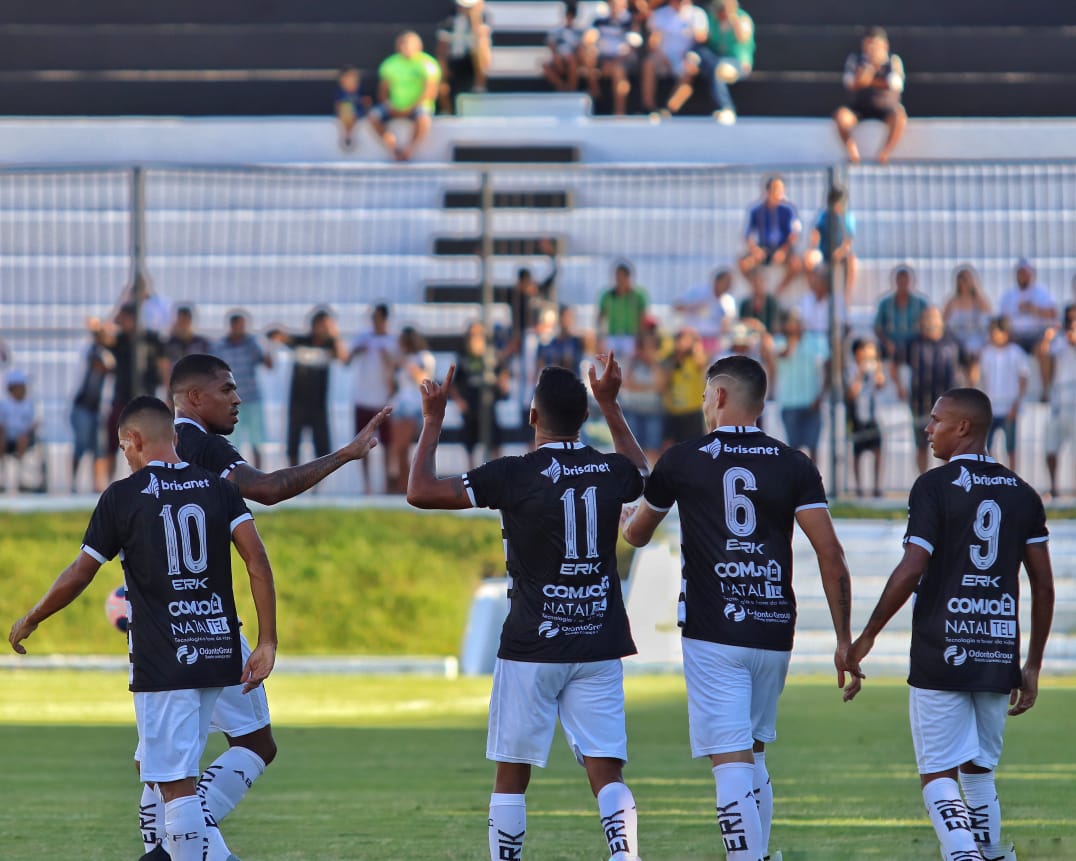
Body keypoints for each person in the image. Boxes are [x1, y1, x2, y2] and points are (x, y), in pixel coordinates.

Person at [9, 395, 279, 861]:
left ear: (132, 440)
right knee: (171, 771)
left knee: (174, 785)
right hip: (219, 646)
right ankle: (167, 853)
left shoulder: (123, 496)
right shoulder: (218, 488)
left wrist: (33, 616)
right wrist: (268, 640)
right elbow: (257, 559)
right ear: (174, 437)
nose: (124, 455)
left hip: (164, 657)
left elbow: (81, 571)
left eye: (122, 446)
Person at [407, 358, 649, 861]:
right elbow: (643, 479)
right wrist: (611, 403)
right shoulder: (610, 468)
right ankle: (625, 856)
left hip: (532, 644)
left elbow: (421, 491)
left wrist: (433, 420)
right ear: (585, 416)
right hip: (598, 638)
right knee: (606, 770)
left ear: (533, 415)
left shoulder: (514, 474)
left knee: (512, 775)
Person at [622, 354, 858, 861]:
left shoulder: (683, 459)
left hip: (714, 631)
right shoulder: (795, 463)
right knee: (752, 754)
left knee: (729, 762)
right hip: (773, 629)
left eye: (707, 394)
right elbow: (831, 554)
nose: (705, 404)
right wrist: (844, 639)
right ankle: (761, 852)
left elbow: (637, 535)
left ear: (721, 396)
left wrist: (627, 518)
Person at [159, 353, 388, 857]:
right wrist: (347, 454)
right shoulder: (201, 444)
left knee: (162, 762)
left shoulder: (161, 447)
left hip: (160, 625)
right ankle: (173, 841)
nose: (238, 399)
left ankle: (172, 839)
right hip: (207, 622)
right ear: (195, 397)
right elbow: (267, 489)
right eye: (228, 389)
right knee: (253, 744)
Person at [846, 387, 1054, 861]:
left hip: (944, 648)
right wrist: (1033, 665)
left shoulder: (934, 486)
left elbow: (913, 566)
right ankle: (994, 854)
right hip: (998, 649)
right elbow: (1043, 585)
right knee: (979, 771)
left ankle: (964, 855)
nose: (928, 428)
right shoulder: (1023, 493)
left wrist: (866, 637)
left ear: (963, 427)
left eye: (937, 420)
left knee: (938, 774)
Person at [273, 307, 349, 468]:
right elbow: (277, 335)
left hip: (318, 405)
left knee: (322, 448)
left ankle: (317, 487)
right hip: (297, 403)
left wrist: (335, 334)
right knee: (293, 445)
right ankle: (293, 480)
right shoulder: (300, 341)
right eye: (323, 325)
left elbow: (344, 359)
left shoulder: (330, 345)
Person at [833, 26, 907, 165]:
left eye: (876, 44)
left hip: (886, 108)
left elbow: (895, 83)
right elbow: (851, 83)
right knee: (841, 116)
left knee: (900, 116)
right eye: (869, 44)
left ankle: (884, 154)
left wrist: (870, 78)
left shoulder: (893, 61)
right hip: (859, 108)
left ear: (884, 45)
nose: (872, 48)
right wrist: (869, 70)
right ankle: (852, 153)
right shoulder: (856, 60)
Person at [212, 310, 273, 471]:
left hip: (251, 399)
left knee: (256, 442)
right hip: (229, 402)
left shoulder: (252, 344)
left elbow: (268, 364)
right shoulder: (219, 347)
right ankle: (232, 476)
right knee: (231, 443)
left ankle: (258, 475)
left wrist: (267, 344)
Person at [367, 31, 441, 161]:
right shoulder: (389, 64)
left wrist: (410, 108)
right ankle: (393, 148)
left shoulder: (428, 64)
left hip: (418, 108)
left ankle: (408, 150)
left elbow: (430, 92)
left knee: (424, 118)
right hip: (395, 107)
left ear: (418, 46)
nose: (405, 47)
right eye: (403, 44)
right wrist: (391, 106)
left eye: (409, 44)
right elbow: (383, 91)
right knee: (373, 116)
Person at [348, 304, 397, 493]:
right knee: (363, 445)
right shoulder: (363, 337)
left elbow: (397, 368)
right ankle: (367, 485)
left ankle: (385, 484)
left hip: (383, 401)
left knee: (388, 445)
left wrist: (388, 359)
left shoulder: (392, 341)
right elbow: (348, 359)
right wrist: (359, 350)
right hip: (363, 399)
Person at [908, 307, 962, 474]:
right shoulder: (914, 343)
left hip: (947, 408)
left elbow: (969, 363)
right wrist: (900, 387)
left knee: (946, 447)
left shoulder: (952, 342)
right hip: (921, 404)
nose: (930, 323)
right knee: (922, 446)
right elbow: (896, 362)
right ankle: (924, 482)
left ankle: (945, 484)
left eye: (934, 318)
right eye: (927, 319)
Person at [451, 320, 511, 469]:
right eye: (472, 335)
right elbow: (454, 382)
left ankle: (497, 474)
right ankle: (471, 477)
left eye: (478, 335)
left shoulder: (492, 355)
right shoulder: (463, 357)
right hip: (470, 404)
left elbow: (503, 374)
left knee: (495, 440)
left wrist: (502, 383)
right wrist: (459, 401)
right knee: (469, 442)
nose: (474, 338)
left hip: (488, 403)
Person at [974, 317, 1029, 473]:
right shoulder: (985, 353)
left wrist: (1016, 404)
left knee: (1010, 447)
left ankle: (1012, 477)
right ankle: (990, 476)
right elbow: (980, 379)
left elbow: (1023, 379)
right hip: (990, 407)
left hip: (1008, 407)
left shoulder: (1016, 352)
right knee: (987, 446)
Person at [387, 327, 436, 493]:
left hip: (413, 406)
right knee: (398, 450)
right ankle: (402, 484)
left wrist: (408, 365)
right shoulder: (401, 360)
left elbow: (423, 380)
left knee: (404, 447)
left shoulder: (423, 357)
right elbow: (393, 385)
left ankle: (408, 485)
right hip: (399, 405)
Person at [776, 310, 829, 464]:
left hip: (812, 403)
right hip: (790, 404)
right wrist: (792, 339)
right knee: (794, 451)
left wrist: (821, 396)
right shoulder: (779, 341)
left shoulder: (816, 341)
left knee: (813, 448)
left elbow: (827, 368)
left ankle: (814, 484)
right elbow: (784, 354)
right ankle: (797, 486)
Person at [640, 0, 708, 116]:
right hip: (662, 57)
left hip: (685, 58)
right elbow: (653, 42)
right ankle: (648, 107)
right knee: (649, 63)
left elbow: (702, 37)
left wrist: (691, 27)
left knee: (690, 68)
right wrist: (662, 56)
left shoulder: (697, 14)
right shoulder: (660, 14)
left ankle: (670, 108)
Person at [738, 175, 803, 295]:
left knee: (796, 264)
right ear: (768, 191)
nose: (780, 193)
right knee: (743, 263)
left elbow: (794, 234)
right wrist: (755, 250)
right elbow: (748, 235)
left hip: (783, 250)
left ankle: (777, 293)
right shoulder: (757, 210)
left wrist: (783, 251)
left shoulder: (788, 210)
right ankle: (759, 291)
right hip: (764, 250)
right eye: (776, 190)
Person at [693, 0, 755, 124]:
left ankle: (727, 108)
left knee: (720, 69)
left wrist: (732, 18)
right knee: (700, 56)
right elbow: (706, 41)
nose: (716, 13)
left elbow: (743, 38)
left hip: (738, 63)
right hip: (717, 60)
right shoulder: (713, 19)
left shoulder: (742, 18)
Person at [70, 329, 115, 492]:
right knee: (80, 446)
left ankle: (97, 485)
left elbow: (107, 365)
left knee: (98, 448)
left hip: (98, 410)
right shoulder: (90, 351)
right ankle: (73, 484)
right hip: (82, 407)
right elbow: (99, 361)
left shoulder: (107, 355)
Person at [580, 0, 640, 116]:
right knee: (588, 54)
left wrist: (613, 62)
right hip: (602, 58)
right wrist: (589, 42)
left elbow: (632, 47)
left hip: (621, 60)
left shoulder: (629, 21)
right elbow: (589, 38)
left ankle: (619, 111)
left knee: (618, 70)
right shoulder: (600, 19)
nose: (614, 6)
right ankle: (595, 93)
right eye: (612, 3)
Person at [874, 264, 930, 390]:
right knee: (877, 351)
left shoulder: (921, 303)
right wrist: (886, 341)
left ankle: (919, 388)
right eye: (900, 280)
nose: (903, 283)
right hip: (891, 343)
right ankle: (895, 386)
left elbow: (926, 325)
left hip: (914, 343)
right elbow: (878, 327)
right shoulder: (885, 303)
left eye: (906, 280)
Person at [1040, 312, 1076, 499]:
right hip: (1059, 400)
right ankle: (1053, 487)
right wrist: (1048, 339)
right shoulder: (1059, 343)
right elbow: (1044, 358)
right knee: (1051, 446)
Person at [845, 338, 886, 498]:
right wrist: (861, 374)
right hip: (857, 416)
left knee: (877, 450)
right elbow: (852, 393)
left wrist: (877, 370)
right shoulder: (851, 369)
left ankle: (877, 486)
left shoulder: (874, 367)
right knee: (857, 453)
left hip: (872, 415)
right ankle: (858, 487)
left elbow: (881, 384)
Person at [436, 0, 492, 113]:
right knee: (443, 87)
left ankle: (479, 87)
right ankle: (448, 110)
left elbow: (483, 50)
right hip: (454, 62)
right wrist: (443, 77)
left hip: (471, 64)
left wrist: (475, 19)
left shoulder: (482, 20)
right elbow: (442, 51)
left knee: (481, 49)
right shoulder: (449, 20)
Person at [805, 186, 857, 306]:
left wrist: (840, 251)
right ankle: (815, 294)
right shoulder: (823, 216)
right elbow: (815, 233)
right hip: (824, 253)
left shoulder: (848, 217)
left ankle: (846, 297)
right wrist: (812, 248)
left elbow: (848, 241)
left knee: (852, 261)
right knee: (808, 259)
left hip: (840, 254)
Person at [621, 330, 666, 466]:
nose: (648, 350)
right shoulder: (632, 363)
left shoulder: (659, 365)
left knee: (652, 449)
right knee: (632, 450)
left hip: (653, 412)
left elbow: (661, 386)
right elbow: (627, 384)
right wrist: (649, 387)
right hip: (633, 411)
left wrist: (653, 363)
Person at [997, 258, 1057, 355]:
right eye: (1020, 273)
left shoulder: (1042, 292)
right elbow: (1001, 320)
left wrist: (1032, 309)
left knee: (1044, 351)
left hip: (1037, 336)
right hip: (1015, 337)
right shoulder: (1008, 296)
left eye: (1025, 273)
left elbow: (1053, 314)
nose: (1023, 276)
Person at [674, 268, 738, 357]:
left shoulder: (728, 301)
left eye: (730, 282)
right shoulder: (700, 291)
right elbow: (677, 307)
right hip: (692, 338)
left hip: (715, 342)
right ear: (717, 281)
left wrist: (726, 325)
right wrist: (693, 306)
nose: (729, 285)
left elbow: (729, 324)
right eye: (727, 282)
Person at [661, 327, 709, 448]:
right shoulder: (670, 360)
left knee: (693, 447)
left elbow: (701, 361)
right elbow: (663, 383)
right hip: (673, 411)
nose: (681, 343)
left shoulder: (695, 360)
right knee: (670, 446)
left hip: (692, 412)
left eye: (685, 340)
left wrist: (696, 341)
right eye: (679, 339)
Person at [943, 266, 992, 380]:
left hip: (975, 340)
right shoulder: (951, 301)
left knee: (973, 358)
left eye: (968, 279)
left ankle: (971, 385)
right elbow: (943, 322)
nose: (964, 282)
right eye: (962, 278)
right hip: (956, 339)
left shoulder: (980, 301)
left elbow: (988, 319)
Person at [0, 369, 43, 492]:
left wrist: (27, 432)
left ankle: (21, 477)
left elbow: (36, 422)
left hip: (25, 438)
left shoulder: (31, 403)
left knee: (22, 438)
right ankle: (2, 477)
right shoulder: (4, 404)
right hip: (7, 438)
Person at [597, 261, 648, 358]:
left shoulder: (638, 296)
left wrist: (641, 339)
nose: (619, 280)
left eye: (621, 277)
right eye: (617, 277)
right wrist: (600, 337)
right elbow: (601, 317)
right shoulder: (607, 296)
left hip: (630, 336)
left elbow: (643, 318)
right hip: (612, 336)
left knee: (630, 357)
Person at [542, 1, 582, 92]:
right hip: (559, 58)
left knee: (572, 61)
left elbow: (579, 48)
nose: (569, 19)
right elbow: (551, 44)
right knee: (545, 65)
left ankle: (572, 88)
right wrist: (557, 57)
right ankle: (562, 86)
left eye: (572, 16)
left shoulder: (578, 32)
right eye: (568, 16)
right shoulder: (557, 31)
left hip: (572, 59)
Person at [334, 65, 368, 151]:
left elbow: (366, 103)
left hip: (358, 113)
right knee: (346, 108)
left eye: (354, 80)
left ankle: (349, 135)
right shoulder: (341, 93)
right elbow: (338, 106)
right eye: (349, 79)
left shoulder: (360, 92)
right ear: (343, 81)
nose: (352, 82)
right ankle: (347, 135)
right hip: (346, 116)